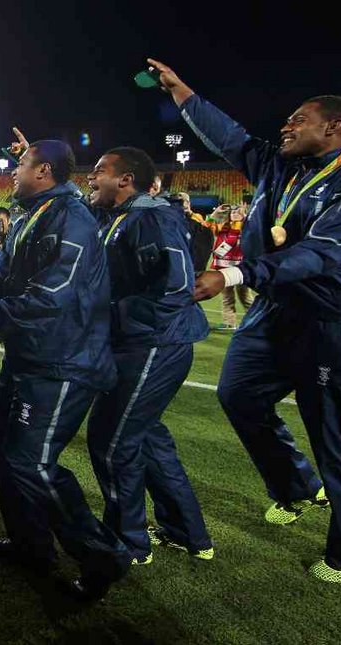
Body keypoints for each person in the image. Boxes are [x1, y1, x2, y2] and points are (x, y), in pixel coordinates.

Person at [148, 57, 341, 582]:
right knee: (238, 395)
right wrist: (182, 93)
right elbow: (230, 137)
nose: (285, 125)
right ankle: (296, 487)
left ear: (333, 127)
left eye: (298, 119)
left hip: (336, 323)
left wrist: (237, 274)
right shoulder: (277, 165)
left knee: (336, 434)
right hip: (274, 313)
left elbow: (323, 253)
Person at [0, 138, 130, 602]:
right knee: (5, 453)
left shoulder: (71, 218)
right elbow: (1, 272)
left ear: (44, 172)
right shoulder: (33, 213)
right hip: (29, 355)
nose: (13, 172)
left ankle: (102, 556)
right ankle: (31, 546)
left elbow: (55, 298)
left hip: (63, 362)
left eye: (22, 164)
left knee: (31, 463)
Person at [85, 147, 213, 565]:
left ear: (125, 180)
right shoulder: (121, 217)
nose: (91, 177)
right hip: (143, 343)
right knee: (147, 438)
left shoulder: (152, 218)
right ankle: (187, 532)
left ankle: (127, 543)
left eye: (100, 171)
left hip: (153, 347)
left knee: (111, 442)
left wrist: (108, 315)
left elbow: (176, 288)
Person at [206, 202, 252, 330]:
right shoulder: (223, 227)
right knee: (227, 297)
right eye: (233, 212)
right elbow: (207, 225)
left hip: (241, 268)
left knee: (245, 297)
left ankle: (257, 318)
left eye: (238, 212)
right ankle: (230, 323)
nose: (235, 214)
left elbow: (255, 226)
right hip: (224, 267)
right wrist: (216, 213)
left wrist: (245, 216)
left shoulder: (246, 228)